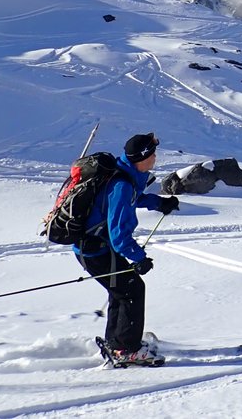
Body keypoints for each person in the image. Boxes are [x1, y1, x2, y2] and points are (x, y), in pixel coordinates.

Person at [74, 132, 179, 366]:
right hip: (96, 250)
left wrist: (159, 202)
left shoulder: (125, 175)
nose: (155, 159)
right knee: (132, 289)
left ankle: (117, 341)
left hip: (95, 247)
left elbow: (135, 198)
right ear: (142, 158)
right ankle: (126, 349)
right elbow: (119, 234)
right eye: (152, 155)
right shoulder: (121, 184)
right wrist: (139, 258)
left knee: (122, 290)